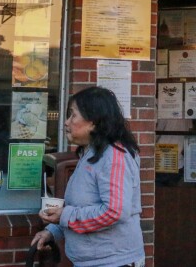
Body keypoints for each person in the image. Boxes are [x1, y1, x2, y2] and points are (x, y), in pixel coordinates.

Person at [31, 87, 144, 267]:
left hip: (113, 262)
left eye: (73, 115)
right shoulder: (90, 152)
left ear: (93, 122)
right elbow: (83, 205)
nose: (66, 122)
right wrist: (53, 231)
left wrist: (64, 215)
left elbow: (114, 212)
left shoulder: (114, 156)